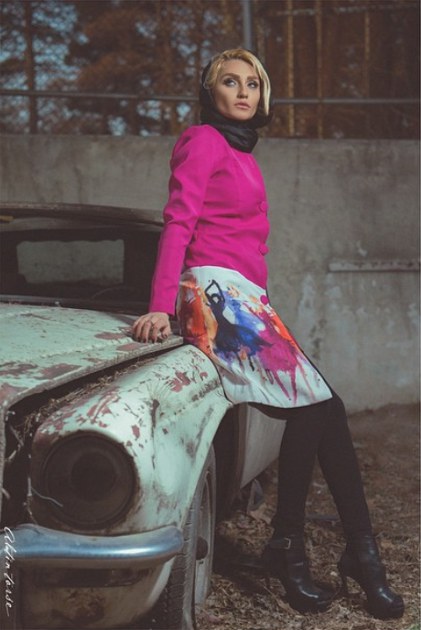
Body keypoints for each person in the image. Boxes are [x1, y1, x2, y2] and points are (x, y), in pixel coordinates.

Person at [132, 48, 404, 619]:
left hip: (246, 301)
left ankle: (334, 551)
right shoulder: (203, 140)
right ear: (210, 93)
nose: (243, 92)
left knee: (323, 408)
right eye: (230, 82)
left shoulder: (243, 154)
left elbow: (247, 245)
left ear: (263, 96)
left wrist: (261, 306)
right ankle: (314, 551)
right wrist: (160, 306)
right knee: (320, 406)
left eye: (252, 84)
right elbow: (179, 221)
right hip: (215, 297)